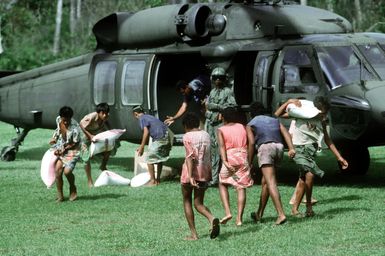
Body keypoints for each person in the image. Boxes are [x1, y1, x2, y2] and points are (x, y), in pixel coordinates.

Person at [275, 97, 348, 217]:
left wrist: (339, 157)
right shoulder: (301, 115)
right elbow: (278, 114)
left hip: (311, 150)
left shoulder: (322, 121)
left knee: (303, 179)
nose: (323, 115)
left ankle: (296, 209)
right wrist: (288, 102)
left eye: (325, 113)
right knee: (310, 174)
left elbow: (327, 139)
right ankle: (308, 206)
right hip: (298, 149)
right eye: (322, 113)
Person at [246, 102, 295, 225]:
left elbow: (251, 143)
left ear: (251, 113)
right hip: (279, 147)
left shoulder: (251, 123)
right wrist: (291, 148)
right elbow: (286, 133)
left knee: (271, 182)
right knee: (266, 182)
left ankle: (281, 214)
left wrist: (249, 162)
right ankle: (259, 214)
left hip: (266, 147)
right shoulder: (274, 120)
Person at [180, 112, 220, 240]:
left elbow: (190, 157)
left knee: (187, 200)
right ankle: (211, 218)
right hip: (204, 172)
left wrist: (191, 176)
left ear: (186, 126)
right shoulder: (206, 135)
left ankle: (194, 234)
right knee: (199, 203)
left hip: (189, 173)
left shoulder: (187, 136)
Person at [217, 107, 253, 226]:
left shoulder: (221, 129)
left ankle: (228, 212)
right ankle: (239, 219)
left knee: (222, 183)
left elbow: (222, 147)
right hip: (243, 156)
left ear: (224, 117)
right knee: (241, 187)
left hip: (230, 157)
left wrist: (225, 161)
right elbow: (249, 143)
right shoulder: (242, 126)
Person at [205, 67, 237, 186]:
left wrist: (217, 107)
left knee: (221, 150)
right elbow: (207, 107)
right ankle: (213, 177)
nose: (218, 80)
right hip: (211, 123)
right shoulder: (212, 92)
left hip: (221, 124)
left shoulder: (227, 91)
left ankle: (221, 177)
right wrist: (209, 111)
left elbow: (232, 107)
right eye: (215, 78)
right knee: (212, 151)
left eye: (220, 78)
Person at [133, 105, 172, 186]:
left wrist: (141, 147)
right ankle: (157, 180)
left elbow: (146, 132)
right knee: (159, 159)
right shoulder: (149, 116)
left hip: (160, 139)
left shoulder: (142, 118)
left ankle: (152, 181)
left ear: (135, 114)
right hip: (167, 137)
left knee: (149, 159)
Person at [49, 106, 82, 202]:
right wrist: (54, 138)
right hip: (62, 147)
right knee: (58, 172)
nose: (66, 122)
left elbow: (74, 143)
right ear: (61, 117)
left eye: (68, 120)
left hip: (73, 150)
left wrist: (64, 149)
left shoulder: (75, 128)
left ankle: (73, 188)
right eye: (64, 120)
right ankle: (60, 196)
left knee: (67, 172)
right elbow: (58, 130)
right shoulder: (59, 119)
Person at [80, 103, 111, 187]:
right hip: (84, 137)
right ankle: (90, 181)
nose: (105, 115)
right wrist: (89, 136)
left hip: (96, 136)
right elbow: (81, 125)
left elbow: (106, 123)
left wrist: (110, 131)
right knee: (86, 158)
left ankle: (103, 166)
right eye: (103, 113)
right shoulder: (91, 117)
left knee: (108, 149)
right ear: (99, 112)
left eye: (106, 113)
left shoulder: (105, 117)